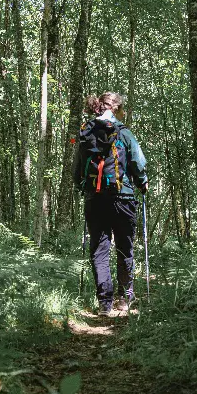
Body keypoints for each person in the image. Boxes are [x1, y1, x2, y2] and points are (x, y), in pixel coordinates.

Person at [74, 92, 148, 316]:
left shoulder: (87, 132)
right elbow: (137, 162)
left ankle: (104, 304)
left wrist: (83, 187)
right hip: (122, 197)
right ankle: (126, 300)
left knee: (99, 250)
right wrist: (142, 182)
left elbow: (77, 168)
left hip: (95, 199)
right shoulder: (124, 132)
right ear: (115, 108)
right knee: (125, 248)